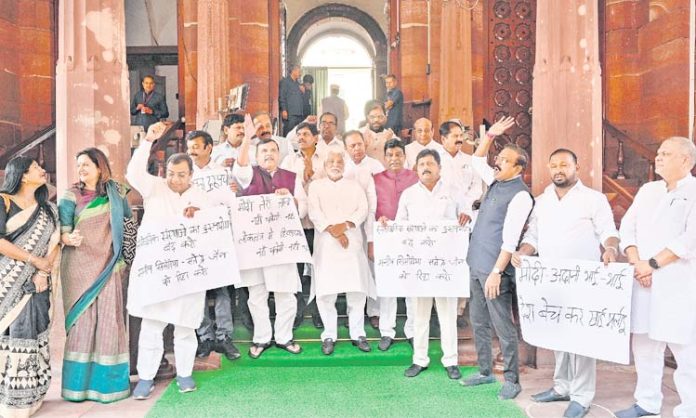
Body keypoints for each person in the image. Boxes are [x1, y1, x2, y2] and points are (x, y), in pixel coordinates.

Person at [511, 148, 619, 418]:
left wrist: (610, 249)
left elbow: (609, 232)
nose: (559, 170)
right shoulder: (542, 200)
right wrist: (523, 253)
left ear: (576, 167)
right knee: (558, 335)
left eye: (564, 165)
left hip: (584, 280)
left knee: (582, 340)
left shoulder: (594, 199)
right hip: (552, 279)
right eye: (554, 165)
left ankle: (582, 397)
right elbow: (533, 236)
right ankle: (561, 387)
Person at [126, 122, 212, 399]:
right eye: (172, 174)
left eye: (182, 175)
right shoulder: (155, 188)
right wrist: (148, 141)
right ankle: (146, 377)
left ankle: (184, 373)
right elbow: (134, 173)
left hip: (188, 271)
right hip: (158, 270)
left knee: (186, 326)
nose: (176, 179)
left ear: (191, 175)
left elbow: (214, 228)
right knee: (152, 325)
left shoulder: (202, 196)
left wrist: (199, 214)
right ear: (165, 172)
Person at [614, 137, 696, 418]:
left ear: (685, 161)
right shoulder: (649, 190)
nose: (658, 157)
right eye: (658, 152)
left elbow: (688, 240)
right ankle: (647, 404)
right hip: (643, 280)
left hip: (677, 284)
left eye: (666, 154)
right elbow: (628, 227)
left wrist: (650, 265)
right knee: (645, 346)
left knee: (686, 352)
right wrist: (637, 262)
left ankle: (690, 410)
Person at [460, 116, 532, 401]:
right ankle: (485, 371)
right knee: (478, 320)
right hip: (476, 263)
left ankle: (512, 380)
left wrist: (497, 272)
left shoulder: (521, 196)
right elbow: (477, 162)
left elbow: (510, 240)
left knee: (503, 325)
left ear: (518, 168)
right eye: (498, 157)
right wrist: (489, 136)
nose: (497, 162)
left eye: (504, 159)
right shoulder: (496, 182)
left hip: (494, 270)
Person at [59, 148, 132, 403]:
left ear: (100, 167)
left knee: (109, 325)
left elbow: (128, 227)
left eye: (86, 164)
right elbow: (62, 230)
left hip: (109, 266)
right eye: (79, 165)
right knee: (82, 325)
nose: (81, 169)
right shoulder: (71, 195)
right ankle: (77, 388)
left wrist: (125, 262)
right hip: (78, 268)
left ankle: (107, 388)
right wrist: (67, 237)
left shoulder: (116, 192)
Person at [395, 149, 470, 380]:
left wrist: (465, 217)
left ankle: (451, 361)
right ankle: (419, 359)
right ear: (416, 169)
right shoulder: (408, 194)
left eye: (430, 163)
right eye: (421, 164)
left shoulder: (454, 192)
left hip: (445, 264)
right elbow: (400, 226)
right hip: (420, 264)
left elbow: (466, 218)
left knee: (447, 314)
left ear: (439, 168)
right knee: (420, 314)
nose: (425, 167)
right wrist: (387, 226)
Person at [232, 134, 306, 358]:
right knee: (256, 295)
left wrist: (290, 200)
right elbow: (241, 166)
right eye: (263, 151)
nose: (269, 154)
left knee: (286, 294)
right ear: (256, 156)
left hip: (282, 246)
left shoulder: (292, 177)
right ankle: (261, 338)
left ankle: (284, 337)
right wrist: (247, 137)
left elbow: (303, 209)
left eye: (273, 150)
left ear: (280, 154)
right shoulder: (248, 176)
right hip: (254, 248)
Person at [0, 157, 59, 418]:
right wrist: (34, 261)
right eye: (35, 167)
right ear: (22, 175)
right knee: (15, 333)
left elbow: (54, 242)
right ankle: (13, 402)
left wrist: (43, 269)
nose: (41, 170)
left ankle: (34, 394)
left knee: (36, 331)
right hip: (8, 281)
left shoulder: (48, 210)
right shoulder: (4, 202)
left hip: (38, 282)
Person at [308, 148, 372, 355]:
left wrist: (344, 226)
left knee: (356, 291)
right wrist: (334, 231)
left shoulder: (354, 186)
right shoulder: (316, 186)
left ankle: (358, 333)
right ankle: (329, 334)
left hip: (351, 244)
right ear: (324, 166)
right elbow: (314, 212)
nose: (335, 165)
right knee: (327, 293)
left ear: (344, 165)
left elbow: (362, 209)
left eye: (339, 162)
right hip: (326, 244)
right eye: (331, 162)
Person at [186, 130, 241, 361]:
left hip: (218, 239)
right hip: (192, 241)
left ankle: (224, 336)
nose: (192, 151)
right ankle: (205, 336)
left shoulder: (222, 173)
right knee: (197, 290)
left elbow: (231, 204)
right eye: (190, 147)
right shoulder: (183, 174)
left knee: (221, 289)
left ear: (209, 147)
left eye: (197, 146)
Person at [369, 139, 419, 350]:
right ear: (384, 157)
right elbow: (371, 210)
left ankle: (413, 330)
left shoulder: (415, 178)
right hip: (386, 239)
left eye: (398, 154)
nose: (394, 159)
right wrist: (371, 239)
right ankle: (387, 331)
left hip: (410, 240)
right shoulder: (375, 179)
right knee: (387, 287)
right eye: (390, 155)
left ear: (404, 156)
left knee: (410, 286)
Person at [438, 120, 485, 327]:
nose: (459, 139)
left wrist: (465, 209)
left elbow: (477, 188)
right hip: (442, 220)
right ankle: (439, 311)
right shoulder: (434, 159)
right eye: (454, 135)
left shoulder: (470, 160)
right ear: (443, 139)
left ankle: (459, 310)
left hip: (466, 220)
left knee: (462, 263)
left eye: (461, 135)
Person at [280, 122, 325, 329]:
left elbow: (329, 186)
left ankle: (318, 310)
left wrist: (311, 174)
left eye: (306, 134)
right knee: (295, 270)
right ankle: (297, 310)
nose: (301, 138)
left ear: (316, 137)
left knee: (319, 269)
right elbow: (284, 187)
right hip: (295, 223)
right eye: (298, 134)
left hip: (319, 223)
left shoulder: (325, 158)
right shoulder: (289, 160)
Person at [359, 100, 400, 166]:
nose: (376, 120)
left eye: (380, 117)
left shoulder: (391, 136)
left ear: (385, 116)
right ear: (367, 117)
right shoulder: (359, 135)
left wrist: (389, 144)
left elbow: (400, 162)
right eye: (372, 117)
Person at [279, 64, 304, 136]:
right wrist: (284, 110)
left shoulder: (297, 84)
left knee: (296, 135)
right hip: (290, 114)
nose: (300, 73)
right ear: (293, 71)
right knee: (288, 134)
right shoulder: (285, 82)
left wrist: (302, 92)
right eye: (299, 71)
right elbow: (282, 96)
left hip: (299, 114)